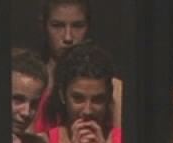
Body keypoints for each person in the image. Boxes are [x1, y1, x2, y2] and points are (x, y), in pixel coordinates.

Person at [36, 1, 125, 133]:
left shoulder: (115, 90)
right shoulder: (31, 88)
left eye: (77, 26)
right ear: (43, 26)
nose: (68, 37)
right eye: (57, 26)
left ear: (89, 27)